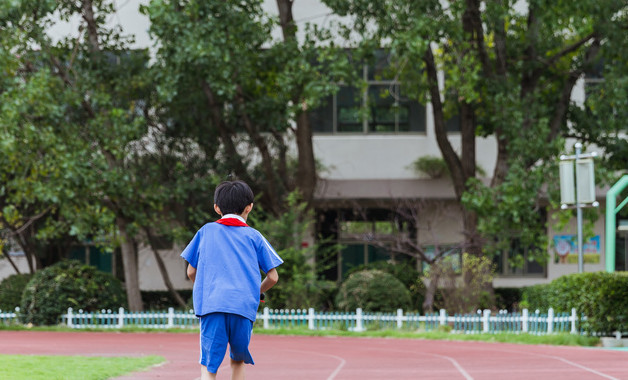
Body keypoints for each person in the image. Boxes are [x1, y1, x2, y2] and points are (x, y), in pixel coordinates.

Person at [181, 180, 283, 380]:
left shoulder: (205, 232)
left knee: (209, 366)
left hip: (212, 307)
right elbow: (273, 277)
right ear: (249, 207)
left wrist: (207, 289)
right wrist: (257, 292)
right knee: (237, 361)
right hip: (243, 307)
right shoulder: (255, 236)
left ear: (216, 207)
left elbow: (191, 272)